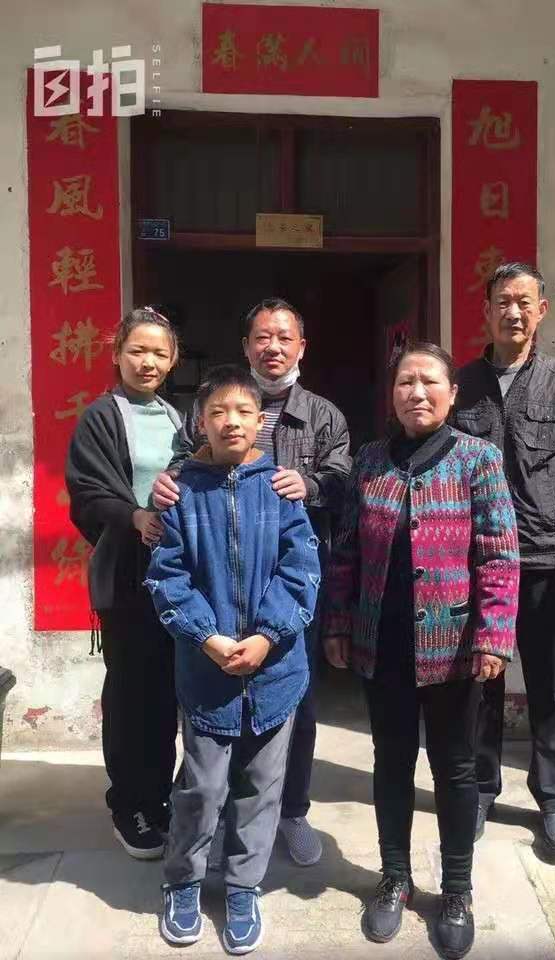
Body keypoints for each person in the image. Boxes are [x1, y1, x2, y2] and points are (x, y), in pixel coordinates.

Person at [323, 342, 520, 959]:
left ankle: (456, 889)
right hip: (382, 643)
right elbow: (346, 550)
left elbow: (499, 555)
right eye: (406, 381)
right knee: (391, 762)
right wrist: (338, 623)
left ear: (451, 394)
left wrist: (493, 635)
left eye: (429, 381)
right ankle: (395, 878)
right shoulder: (370, 461)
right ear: (393, 394)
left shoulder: (478, 460)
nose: (417, 392)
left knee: (456, 769)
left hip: (454, 649)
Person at [152, 297, 351, 866]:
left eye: (285, 337)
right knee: (212, 705)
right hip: (216, 580)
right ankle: (215, 823)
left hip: (289, 583)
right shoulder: (214, 406)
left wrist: (309, 486)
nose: (273, 347)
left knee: (293, 705)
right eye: (262, 337)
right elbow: (182, 468)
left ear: (301, 346)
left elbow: (344, 480)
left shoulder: (324, 415)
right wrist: (165, 485)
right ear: (246, 347)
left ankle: (291, 812)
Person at [144, 365, 320, 953]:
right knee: (202, 785)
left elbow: (302, 571)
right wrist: (207, 638)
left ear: (260, 421)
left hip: (276, 670)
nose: (231, 421)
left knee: (261, 786)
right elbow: (168, 578)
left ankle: (244, 885)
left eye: (244, 411)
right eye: (218, 412)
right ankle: (184, 881)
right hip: (207, 669)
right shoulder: (182, 493)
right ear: (201, 422)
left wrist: (268, 636)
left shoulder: (281, 489)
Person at [452, 262, 555, 854]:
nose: (512, 313)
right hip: (477, 561)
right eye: (502, 302)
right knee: (480, 681)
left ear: (541, 311)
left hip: (545, 559)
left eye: (524, 302)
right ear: (486, 310)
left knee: (551, 688)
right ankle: (481, 788)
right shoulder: (461, 384)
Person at [65, 307, 182, 859]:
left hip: (176, 577)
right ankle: (128, 803)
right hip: (128, 577)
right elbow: (87, 491)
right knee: (131, 693)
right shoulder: (100, 417)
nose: (147, 362)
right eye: (137, 350)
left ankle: (159, 798)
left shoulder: (179, 418)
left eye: (159, 352)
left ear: (173, 360)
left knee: (166, 694)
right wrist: (134, 517)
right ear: (117, 355)